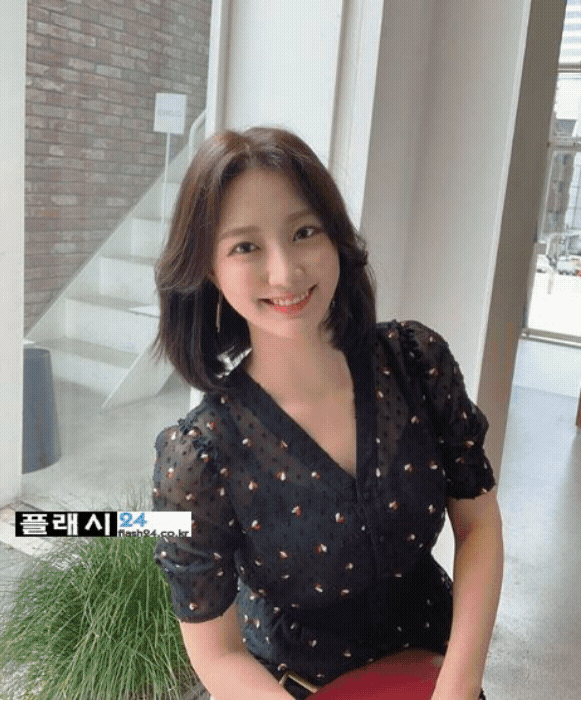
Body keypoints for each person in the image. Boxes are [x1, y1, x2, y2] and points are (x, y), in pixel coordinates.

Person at [151, 126, 504, 700]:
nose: (285, 272)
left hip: (441, 676)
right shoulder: (200, 457)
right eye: (245, 247)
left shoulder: (416, 363)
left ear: (336, 237)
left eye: (304, 232)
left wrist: (459, 684)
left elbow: (478, 525)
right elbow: (217, 653)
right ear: (209, 270)